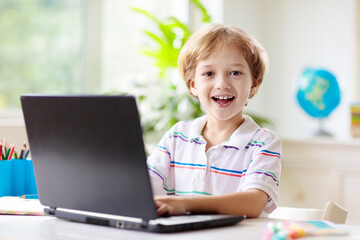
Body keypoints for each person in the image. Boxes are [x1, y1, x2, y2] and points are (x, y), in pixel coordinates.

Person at [146, 23, 281, 218]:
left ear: (254, 84)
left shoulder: (264, 143)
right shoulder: (177, 137)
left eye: (235, 73)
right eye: (209, 74)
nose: (222, 84)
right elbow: (146, 187)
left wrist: (184, 204)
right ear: (193, 85)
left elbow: (253, 203)